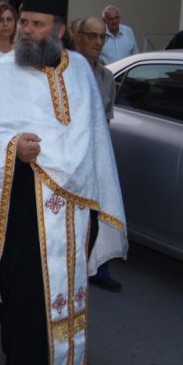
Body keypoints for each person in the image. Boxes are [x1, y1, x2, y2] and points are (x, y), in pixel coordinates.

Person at [0, 0, 127, 365]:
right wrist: (14, 147)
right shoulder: (2, 72)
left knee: (69, 290)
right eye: (23, 22)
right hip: (21, 202)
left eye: (37, 24)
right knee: (26, 294)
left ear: (57, 29)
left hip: (72, 209)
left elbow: (93, 140)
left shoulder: (80, 73)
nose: (27, 31)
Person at [74, 16, 122, 292]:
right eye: (91, 35)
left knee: (97, 211)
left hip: (96, 156)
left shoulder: (106, 77)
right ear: (78, 36)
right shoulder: (65, 72)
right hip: (70, 158)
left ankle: (97, 266)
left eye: (102, 36)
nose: (97, 41)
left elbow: (106, 120)